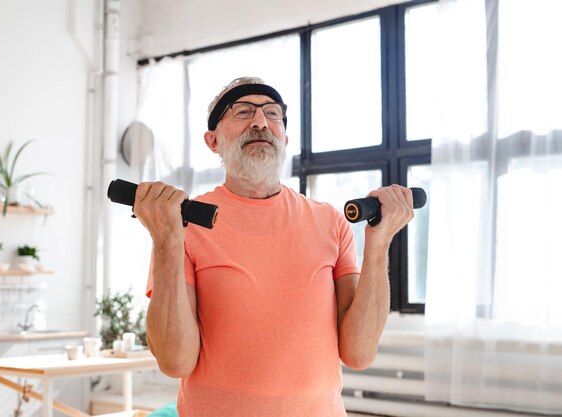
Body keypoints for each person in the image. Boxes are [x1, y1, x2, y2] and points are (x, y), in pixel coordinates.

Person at [134, 77, 415, 417]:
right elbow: (175, 360)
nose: (260, 122)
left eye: (272, 114)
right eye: (242, 112)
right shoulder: (184, 224)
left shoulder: (329, 222)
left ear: (284, 137)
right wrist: (165, 240)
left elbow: (359, 353)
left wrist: (379, 242)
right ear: (213, 140)